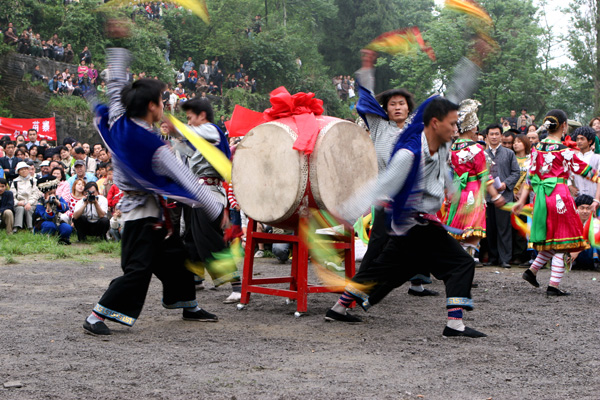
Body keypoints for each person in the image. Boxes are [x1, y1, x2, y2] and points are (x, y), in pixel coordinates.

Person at [83, 35, 222, 336]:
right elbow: (187, 182)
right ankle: (97, 315)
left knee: (175, 260)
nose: (165, 104)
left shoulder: (121, 120)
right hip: (139, 216)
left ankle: (188, 304)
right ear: (151, 106)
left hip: (152, 214)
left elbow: (116, 85)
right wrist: (216, 209)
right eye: (162, 100)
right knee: (138, 270)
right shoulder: (151, 147)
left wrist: (118, 47)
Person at [325, 97, 487, 338]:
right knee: (460, 264)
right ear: (435, 123)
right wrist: (349, 211)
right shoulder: (411, 151)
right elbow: (387, 183)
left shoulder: (437, 145)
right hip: (417, 222)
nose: (455, 129)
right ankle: (455, 324)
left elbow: (441, 171)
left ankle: (338, 308)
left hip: (413, 223)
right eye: (451, 124)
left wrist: (450, 188)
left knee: (386, 269)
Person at [353, 49, 434, 296]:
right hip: (387, 198)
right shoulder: (378, 127)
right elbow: (365, 98)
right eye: (392, 104)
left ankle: (417, 284)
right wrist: (367, 66)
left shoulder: (418, 131)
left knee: (420, 241)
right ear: (386, 109)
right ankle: (357, 287)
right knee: (379, 244)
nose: (397, 107)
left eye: (401, 103)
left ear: (408, 108)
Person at [513, 110, 600, 296]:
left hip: (541, 197)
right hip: (559, 196)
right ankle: (553, 286)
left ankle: (532, 271)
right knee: (563, 242)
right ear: (564, 126)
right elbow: (585, 170)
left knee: (552, 240)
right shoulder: (565, 151)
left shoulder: (536, 149)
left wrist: (521, 201)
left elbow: (529, 178)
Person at [179, 98, 242, 304]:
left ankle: (237, 286)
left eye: (190, 118)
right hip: (197, 193)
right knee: (190, 237)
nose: (188, 122)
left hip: (209, 192)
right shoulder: (199, 138)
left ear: (202, 116)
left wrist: (171, 124)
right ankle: (195, 279)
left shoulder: (211, 130)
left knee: (209, 238)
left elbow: (186, 133)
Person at [445, 99, 505, 260]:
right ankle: (463, 270)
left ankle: (458, 269)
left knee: (459, 234)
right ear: (472, 127)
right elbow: (484, 176)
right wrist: (496, 195)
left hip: (457, 193)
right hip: (472, 193)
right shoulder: (476, 148)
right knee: (472, 236)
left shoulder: (453, 147)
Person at [484, 124, 520, 268]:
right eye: (491, 134)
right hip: (487, 197)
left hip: (504, 196)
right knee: (490, 228)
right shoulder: (482, 154)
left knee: (504, 228)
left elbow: (516, 172)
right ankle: (493, 258)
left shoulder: (509, 153)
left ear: (501, 136)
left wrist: (506, 184)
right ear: (486, 136)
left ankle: (505, 259)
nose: (494, 137)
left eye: (496, 134)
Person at [34, 176, 72, 245]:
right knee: (50, 226)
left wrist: (58, 202)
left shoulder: (58, 198)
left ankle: (62, 239)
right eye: (49, 193)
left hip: (57, 221)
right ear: (45, 193)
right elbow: (47, 217)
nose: (52, 195)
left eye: (53, 192)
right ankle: (45, 238)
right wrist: (48, 205)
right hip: (44, 222)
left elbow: (66, 208)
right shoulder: (40, 202)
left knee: (67, 228)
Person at [570, 126, 600, 198]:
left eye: (582, 139)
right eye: (577, 139)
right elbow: (567, 174)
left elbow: (598, 179)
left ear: (590, 141)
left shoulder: (597, 158)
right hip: (578, 197)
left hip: (594, 197)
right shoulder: (573, 158)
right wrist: (570, 186)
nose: (579, 141)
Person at [10, 161, 40, 231]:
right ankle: (17, 227)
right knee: (20, 208)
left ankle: (30, 227)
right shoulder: (15, 182)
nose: (24, 171)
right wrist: (18, 203)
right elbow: (13, 196)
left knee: (28, 209)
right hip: (20, 202)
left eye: (25, 169)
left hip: (31, 203)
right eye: (21, 169)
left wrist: (29, 203)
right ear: (18, 171)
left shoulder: (34, 181)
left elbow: (35, 194)